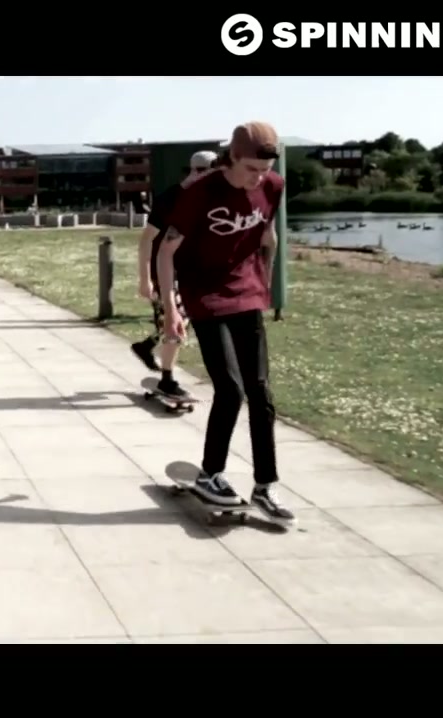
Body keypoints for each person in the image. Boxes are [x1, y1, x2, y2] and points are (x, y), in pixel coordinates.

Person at [155, 122, 293, 524]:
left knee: (260, 391)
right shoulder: (200, 192)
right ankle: (210, 474)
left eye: (265, 169)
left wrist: (264, 278)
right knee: (230, 389)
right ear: (231, 157)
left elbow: (267, 233)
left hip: (246, 291)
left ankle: (265, 485)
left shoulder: (273, 185)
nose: (258, 178)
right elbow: (166, 251)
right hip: (205, 295)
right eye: (251, 169)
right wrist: (171, 308)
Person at [130, 150, 220, 399]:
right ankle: (167, 379)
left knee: (181, 319)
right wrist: (144, 278)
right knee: (175, 320)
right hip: (165, 271)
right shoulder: (171, 198)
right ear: (200, 171)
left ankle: (147, 346)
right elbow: (146, 240)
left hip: (191, 270)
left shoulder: (208, 196)